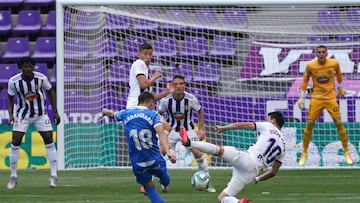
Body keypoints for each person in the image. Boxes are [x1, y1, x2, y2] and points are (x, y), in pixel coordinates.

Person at [179, 111, 286, 203]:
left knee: (219, 150)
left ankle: (189, 143)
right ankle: (237, 202)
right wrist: (257, 179)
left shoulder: (268, 126)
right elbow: (273, 172)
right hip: (251, 174)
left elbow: (241, 125)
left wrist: (224, 128)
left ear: (273, 121)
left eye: (268, 119)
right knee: (222, 198)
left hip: (248, 160)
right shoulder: (284, 146)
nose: (266, 121)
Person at [102, 92, 176, 203]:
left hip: (137, 162)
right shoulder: (153, 115)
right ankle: (164, 184)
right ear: (151, 103)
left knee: (149, 188)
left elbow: (113, 115)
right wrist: (168, 151)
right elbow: (161, 133)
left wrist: (105, 112)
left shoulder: (126, 113)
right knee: (165, 178)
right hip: (154, 158)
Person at [7, 57, 60, 189]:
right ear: (21, 68)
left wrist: (55, 112)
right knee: (16, 140)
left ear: (33, 67)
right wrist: (11, 115)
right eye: (25, 67)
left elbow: (50, 91)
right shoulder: (14, 82)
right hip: (22, 115)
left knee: (49, 138)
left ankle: (53, 176)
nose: (27, 69)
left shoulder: (41, 78)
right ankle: (13, 177)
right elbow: (10, 98)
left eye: (30, 67)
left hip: (40, 114)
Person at [296, 45, 354, 166]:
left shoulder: (334, 63)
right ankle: (304, 153)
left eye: (323, 52)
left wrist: (341, 89)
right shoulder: (310, 65)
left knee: (339, 123)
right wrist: (301, 99)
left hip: (330, 98)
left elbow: (339, 76)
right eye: (319, 52)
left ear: (327, 53)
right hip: (316, 98)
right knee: (310, 125)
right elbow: (305, 81)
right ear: (316, 54)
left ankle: (347, 152)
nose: (321, 54)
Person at [158, 75, 216, 193]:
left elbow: (200, 111)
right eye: (176, 84)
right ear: (172, 86)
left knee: (198, 153)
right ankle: (161, 183)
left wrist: (200, 129)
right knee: (160, 154)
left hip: (188, 130)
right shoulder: (166, 100)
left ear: (185, 85)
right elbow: (158, 114)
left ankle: (208, 182)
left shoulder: (190, 99)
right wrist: (164, 126)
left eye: (181, 84)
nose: (178, 86)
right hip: (172, 131)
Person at [126, 43, 173, 109]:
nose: (148, 57)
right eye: (145, 54)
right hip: (136, 106)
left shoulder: (146, 73)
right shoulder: (139, 63)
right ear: (139, 55)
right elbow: (144, 84)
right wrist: (155, 76)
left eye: (150, 54)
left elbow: (151, 99)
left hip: (141, 107)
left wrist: (167, 92)